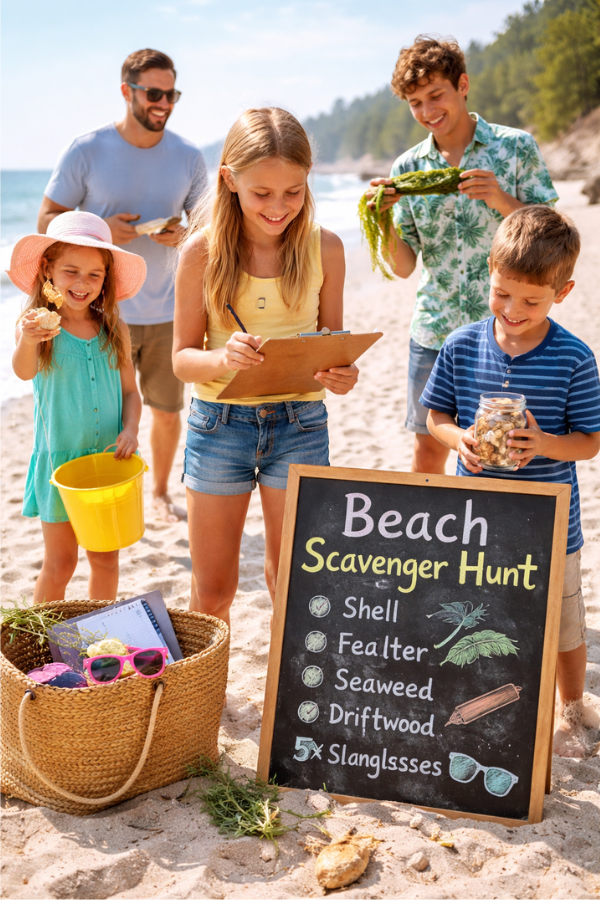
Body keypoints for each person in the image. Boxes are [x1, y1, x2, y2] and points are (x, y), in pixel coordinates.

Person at [420, 206, 600, 758]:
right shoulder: (460, 344)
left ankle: (572, 702)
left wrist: (544, 444)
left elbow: (590, 440)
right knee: (481, 613)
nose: (513, 310)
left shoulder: (573, 357)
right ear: (488, 276)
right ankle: (482, 699)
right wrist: (461, 443)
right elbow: (436, 418)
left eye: (531, 300)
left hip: (548, 519)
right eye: (502, 294)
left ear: (562, 293)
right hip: (475, 516)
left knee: (564, 620)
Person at [173, 107, 359, 624]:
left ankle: (290, 695)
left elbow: (332, 345)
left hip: (300, 425)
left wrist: (342, 375)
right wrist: (222, 356)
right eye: (262, 193)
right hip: (218, 427)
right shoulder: (200, 253)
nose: (279, 207)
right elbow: (182, 360)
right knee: (212, 592)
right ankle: (204, 696)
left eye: (293, 192)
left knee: (295, 581)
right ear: (229, 180)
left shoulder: (327, 248)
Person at [367, 35, 557, 475]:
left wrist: (503, 200)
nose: (428, 111)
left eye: (436, 95)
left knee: (507, 452)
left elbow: (553, 236)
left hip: (509, 329)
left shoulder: (514, 147)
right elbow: (403, 265)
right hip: (434, 331)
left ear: (463, 85)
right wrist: (380, 220)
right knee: (429, 451)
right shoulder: (407, 169)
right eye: (415, 102)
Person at [37, 49, 207, 523]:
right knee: (109, 418)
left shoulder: (189, 156)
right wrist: (100, 227)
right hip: (100, 317)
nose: (164, 102)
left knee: (169, 412)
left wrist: (186, 234)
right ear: (126, 91)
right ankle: (103, 491)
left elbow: (208, 230)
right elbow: (47, 222)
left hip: (171, 312)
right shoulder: (85, 150)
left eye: (171, 93)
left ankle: (158, 493)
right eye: (154, 93)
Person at [9, 211, 147, 604]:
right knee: (60, 564)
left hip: (107, 462)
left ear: (106, 280)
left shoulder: (113, 328)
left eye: (94, 275)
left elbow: (131, 393)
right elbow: (22, 372)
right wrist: (28, 339)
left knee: (105, 561)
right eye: (71, 271)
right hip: (61, 466)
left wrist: (132, 429)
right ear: (48, 270)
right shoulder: (39, 326)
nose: (82, 284)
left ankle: (96, 631)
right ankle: (38, 639)